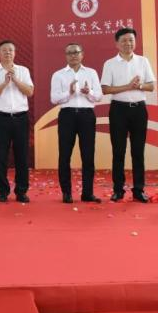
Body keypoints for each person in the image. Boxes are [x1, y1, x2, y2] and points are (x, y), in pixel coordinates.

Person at [100, 28, 156, 203]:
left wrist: (138, 87)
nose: (128, 43)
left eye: (131, 40)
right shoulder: (110, 63)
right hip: (118, 110)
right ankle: (118, 190)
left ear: (135, 42)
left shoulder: (143, 61)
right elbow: (105, 89)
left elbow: (151, 86)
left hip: (139, 110)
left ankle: (139, 190)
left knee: (138, 151)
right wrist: (128, 86)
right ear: (117, 43)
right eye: (124, 40)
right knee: (119, 151)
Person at [50, 43, 103, 204]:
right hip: (67, 115)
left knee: (88, 156)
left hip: (87, 115)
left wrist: (89, 93)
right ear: (65, 56)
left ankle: (87, 193)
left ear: (82, 54)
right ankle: (66, 193)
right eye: (69, 53)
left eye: (76, 52)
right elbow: (54, 99)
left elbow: (99, 96)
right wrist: (70, 92)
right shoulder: (58, 75)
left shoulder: (91, 73)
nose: (73, 55)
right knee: (65, 155)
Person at [0, 40, 34, 203]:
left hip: (20, 118)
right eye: (4, 50)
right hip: (1, 119)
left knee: (22, 156)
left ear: (15, 53)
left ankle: (21, 191)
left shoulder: (23, 71)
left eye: (11, 50)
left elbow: (30, 91)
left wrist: (15, 80)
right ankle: (3, 191)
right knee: (0, 156)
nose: (8, 53)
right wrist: (5, 83)